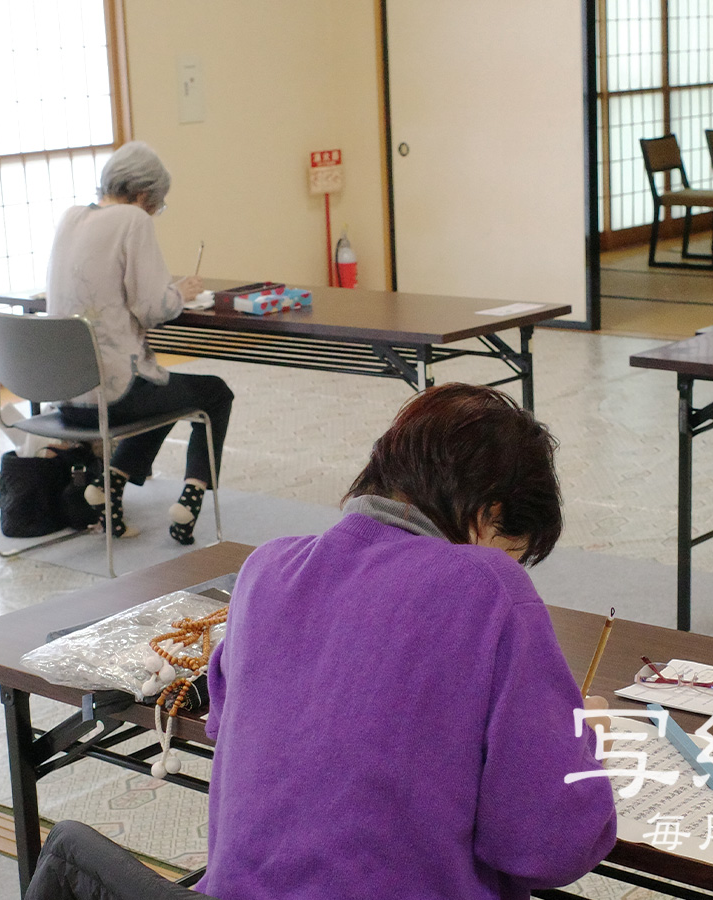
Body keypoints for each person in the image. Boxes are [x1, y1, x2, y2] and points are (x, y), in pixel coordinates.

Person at [195, 384, 618, 900]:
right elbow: (547, 845)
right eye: (513, 551)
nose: (509, 566)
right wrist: (584, 740)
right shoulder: (486, 585)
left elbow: (226, 720)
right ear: (487, 515)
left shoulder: (265, 567)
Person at [46, 141, 232, 545]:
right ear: (146, 196)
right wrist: (180, 291)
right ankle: (191, 498)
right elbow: (152, 308)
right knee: (213, 393)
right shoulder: (133, 220)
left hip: (67, 400)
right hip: (113, 396)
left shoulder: (70, 217)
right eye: (158, 205)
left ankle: (108, 482)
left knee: (163, 389)